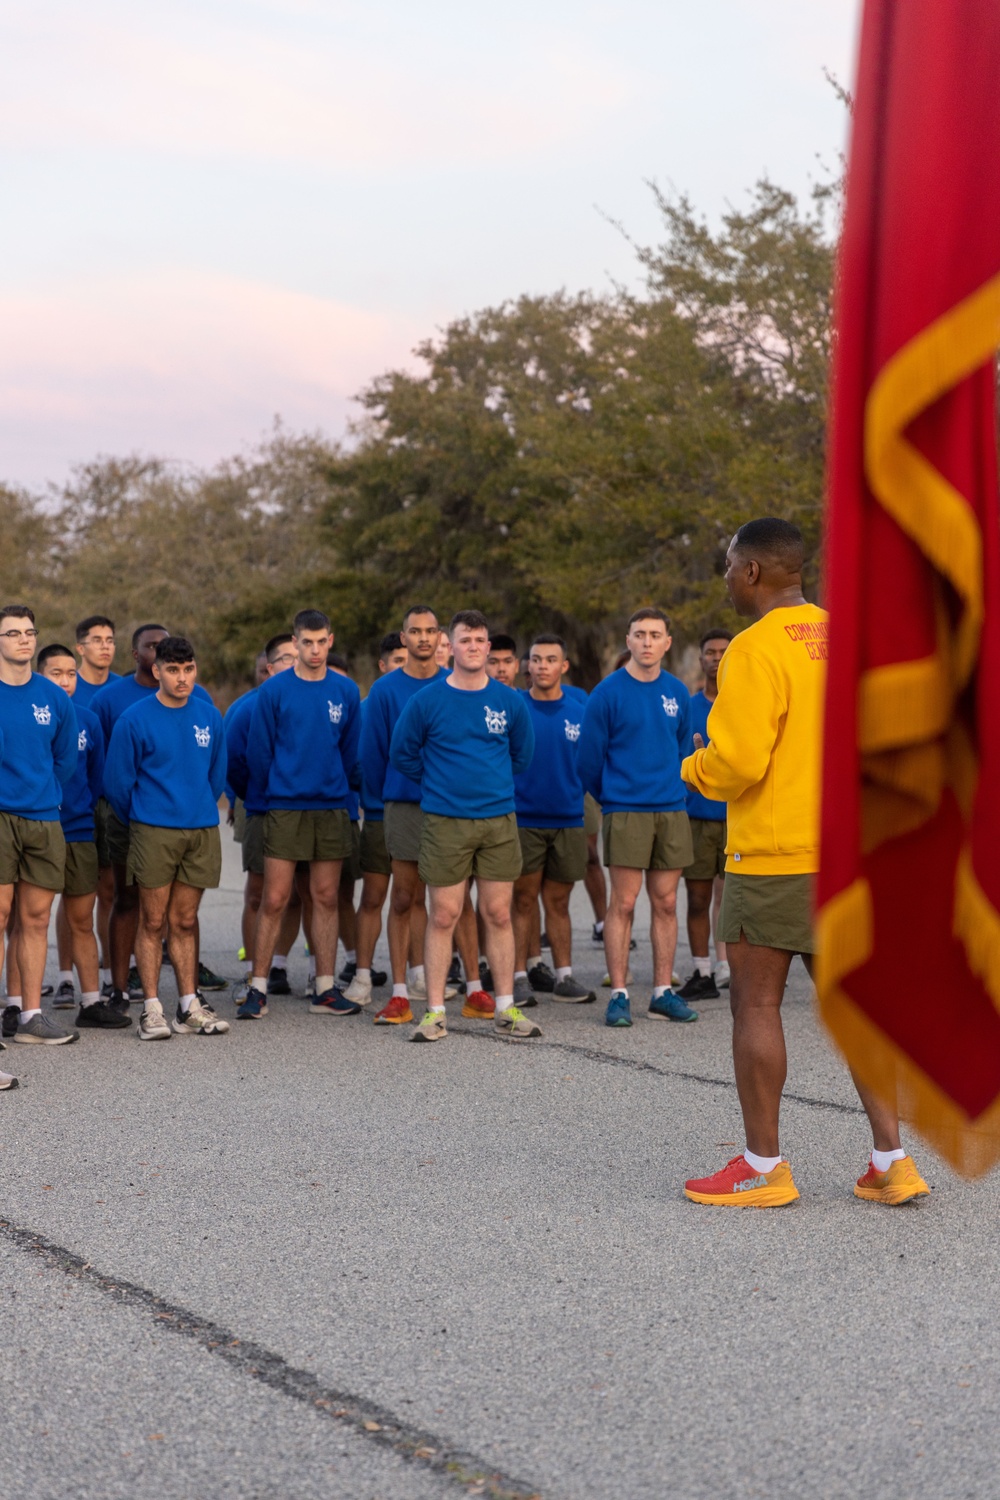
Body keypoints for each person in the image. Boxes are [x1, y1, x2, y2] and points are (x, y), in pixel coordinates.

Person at [681, 518, 928, 1207]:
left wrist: (695, 767)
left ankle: (764, 1168)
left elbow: (738, 762)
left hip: (775, 854)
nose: (726, 578)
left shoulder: (753, 649)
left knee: (755, 1002)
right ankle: (892, 1162)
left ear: (754, 572)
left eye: (729, 566)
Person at [390, 609, 540, 1042]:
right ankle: (435, 1011)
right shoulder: (427, 701)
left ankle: (506, 1008)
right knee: (444, 913)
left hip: (497, 820)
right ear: (448, 646)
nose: (473, 647)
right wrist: (442, 783)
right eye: (464, 640)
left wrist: (486, 786)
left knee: (497, 911)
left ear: (488, 648)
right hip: (445, 821)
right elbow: (403, 755)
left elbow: (522, 757)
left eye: (480, 641)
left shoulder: (509, 701)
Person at [104, 636, 229, 1041]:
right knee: (153, 919)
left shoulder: (209, 716)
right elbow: (118, 784)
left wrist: (192, 808)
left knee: (185, 919)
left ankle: (188, 1005)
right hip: (152, 830)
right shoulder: (134, 718)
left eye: (188, 669)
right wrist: (149, 816)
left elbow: (216, 776)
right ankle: (152, 1009)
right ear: (156, 670)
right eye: (173, 670)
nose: (181, 678)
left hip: (199, 829)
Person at [578, 608, 696, 1028]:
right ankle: (620, 994)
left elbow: (682, 751)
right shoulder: (607, 693)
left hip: (670, 809)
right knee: (623, 903)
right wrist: (614, 797)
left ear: (667, 643)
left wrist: (674, 791)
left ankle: (663, 991)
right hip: (626, 810)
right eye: (640, 634)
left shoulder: (677, 692)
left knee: (665, 902)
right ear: (627, 640)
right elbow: (588, 762)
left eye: (655, 635)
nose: (647, 642)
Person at [243, 609, 362, 1018]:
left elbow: (350, 753)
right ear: (295, 643)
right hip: (286, 807)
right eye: (306, 642)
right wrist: (279, 791)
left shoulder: (346, 692)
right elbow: (259, 753)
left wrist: (332, 786)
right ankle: (257, 989)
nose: (314, 649)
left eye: (321, 641)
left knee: (326, 895)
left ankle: (325, 989)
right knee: (275, 897)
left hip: (330, 807)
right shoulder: (275, 691)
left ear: (330, 640)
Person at [357, 606, 467, 1022]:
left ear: (441, 638)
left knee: (446, 901)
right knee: (402, 897)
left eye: (431, 631)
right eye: (415, 632)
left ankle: (440, 981)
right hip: (401, 806)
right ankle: (400, 990)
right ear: (403, 638)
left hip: (449, 809)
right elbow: (374, 755)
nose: (423, 638)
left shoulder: (457, 684)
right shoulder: (385, 691)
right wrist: (382, 803)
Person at [0, 605, 79, 1058]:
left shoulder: (54, 697)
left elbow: (65, 760)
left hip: (44, 817)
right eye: (12, 633)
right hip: (1, 818)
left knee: (34, 920)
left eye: (29, 632)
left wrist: (42, 792)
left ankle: (30, 1016)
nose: (23, 640)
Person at [36, 645, 128, 1030]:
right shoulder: (32, 716)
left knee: (81, 918)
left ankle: (91, 1002)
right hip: (38, 827)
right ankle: (16, 1005)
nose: (65, 681)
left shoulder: (89, 720)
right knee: (30, 920)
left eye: (71, 674)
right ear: (40, 677)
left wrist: (81, 813)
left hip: (78, 832)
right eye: (56, 673)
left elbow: (95, 781)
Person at [511, 634, 594, 1006]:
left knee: (558, 902)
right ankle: (515, 977)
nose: (542, 665)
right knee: (523, 899)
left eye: (550, 660)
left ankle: (564, 976)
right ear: (527, 665)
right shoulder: (514, 707)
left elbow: (592, 765)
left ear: (564, 666)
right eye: (536, 659)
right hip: (524, 820)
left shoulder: (580, 712)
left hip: (568, 820)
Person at [224, 634, 302, 1007]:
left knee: (296, 894)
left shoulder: (308, 701)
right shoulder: (245, 708)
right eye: (284, 659)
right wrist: (250, 798)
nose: (292, 663)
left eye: (295, 657)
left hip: (304, 813)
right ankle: (255, 969)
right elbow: (235, 765)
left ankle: (280, 966)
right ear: (269, 668)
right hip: (259, 809)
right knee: (260, 893)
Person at [342, 633, 405, 1007]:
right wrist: (374, 799)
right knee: (374, 897)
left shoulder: (434, 690)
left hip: (424, 812)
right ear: (382, 666)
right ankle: (362, 975)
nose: (402, 664)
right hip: (382, 813)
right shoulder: (372, 702)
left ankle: (416, 974)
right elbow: (361, 762)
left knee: (412, 899)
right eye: (395, 660)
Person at [677, 630, 733, 1002]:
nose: (715, 657)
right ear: (700, 660)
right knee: (697, 898)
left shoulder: (743, 701)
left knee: (732, 900)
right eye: (709, 652)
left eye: (722, 652)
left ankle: (733, 966)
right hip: (696, 816)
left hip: (736, 815)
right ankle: (702, 971)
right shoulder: (688, 706)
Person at [73, 615, 119, 708]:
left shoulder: (122, 687)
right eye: (97, 641)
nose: (105, 646)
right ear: (80, 649)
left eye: (109, 641)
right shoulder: (68, 687)